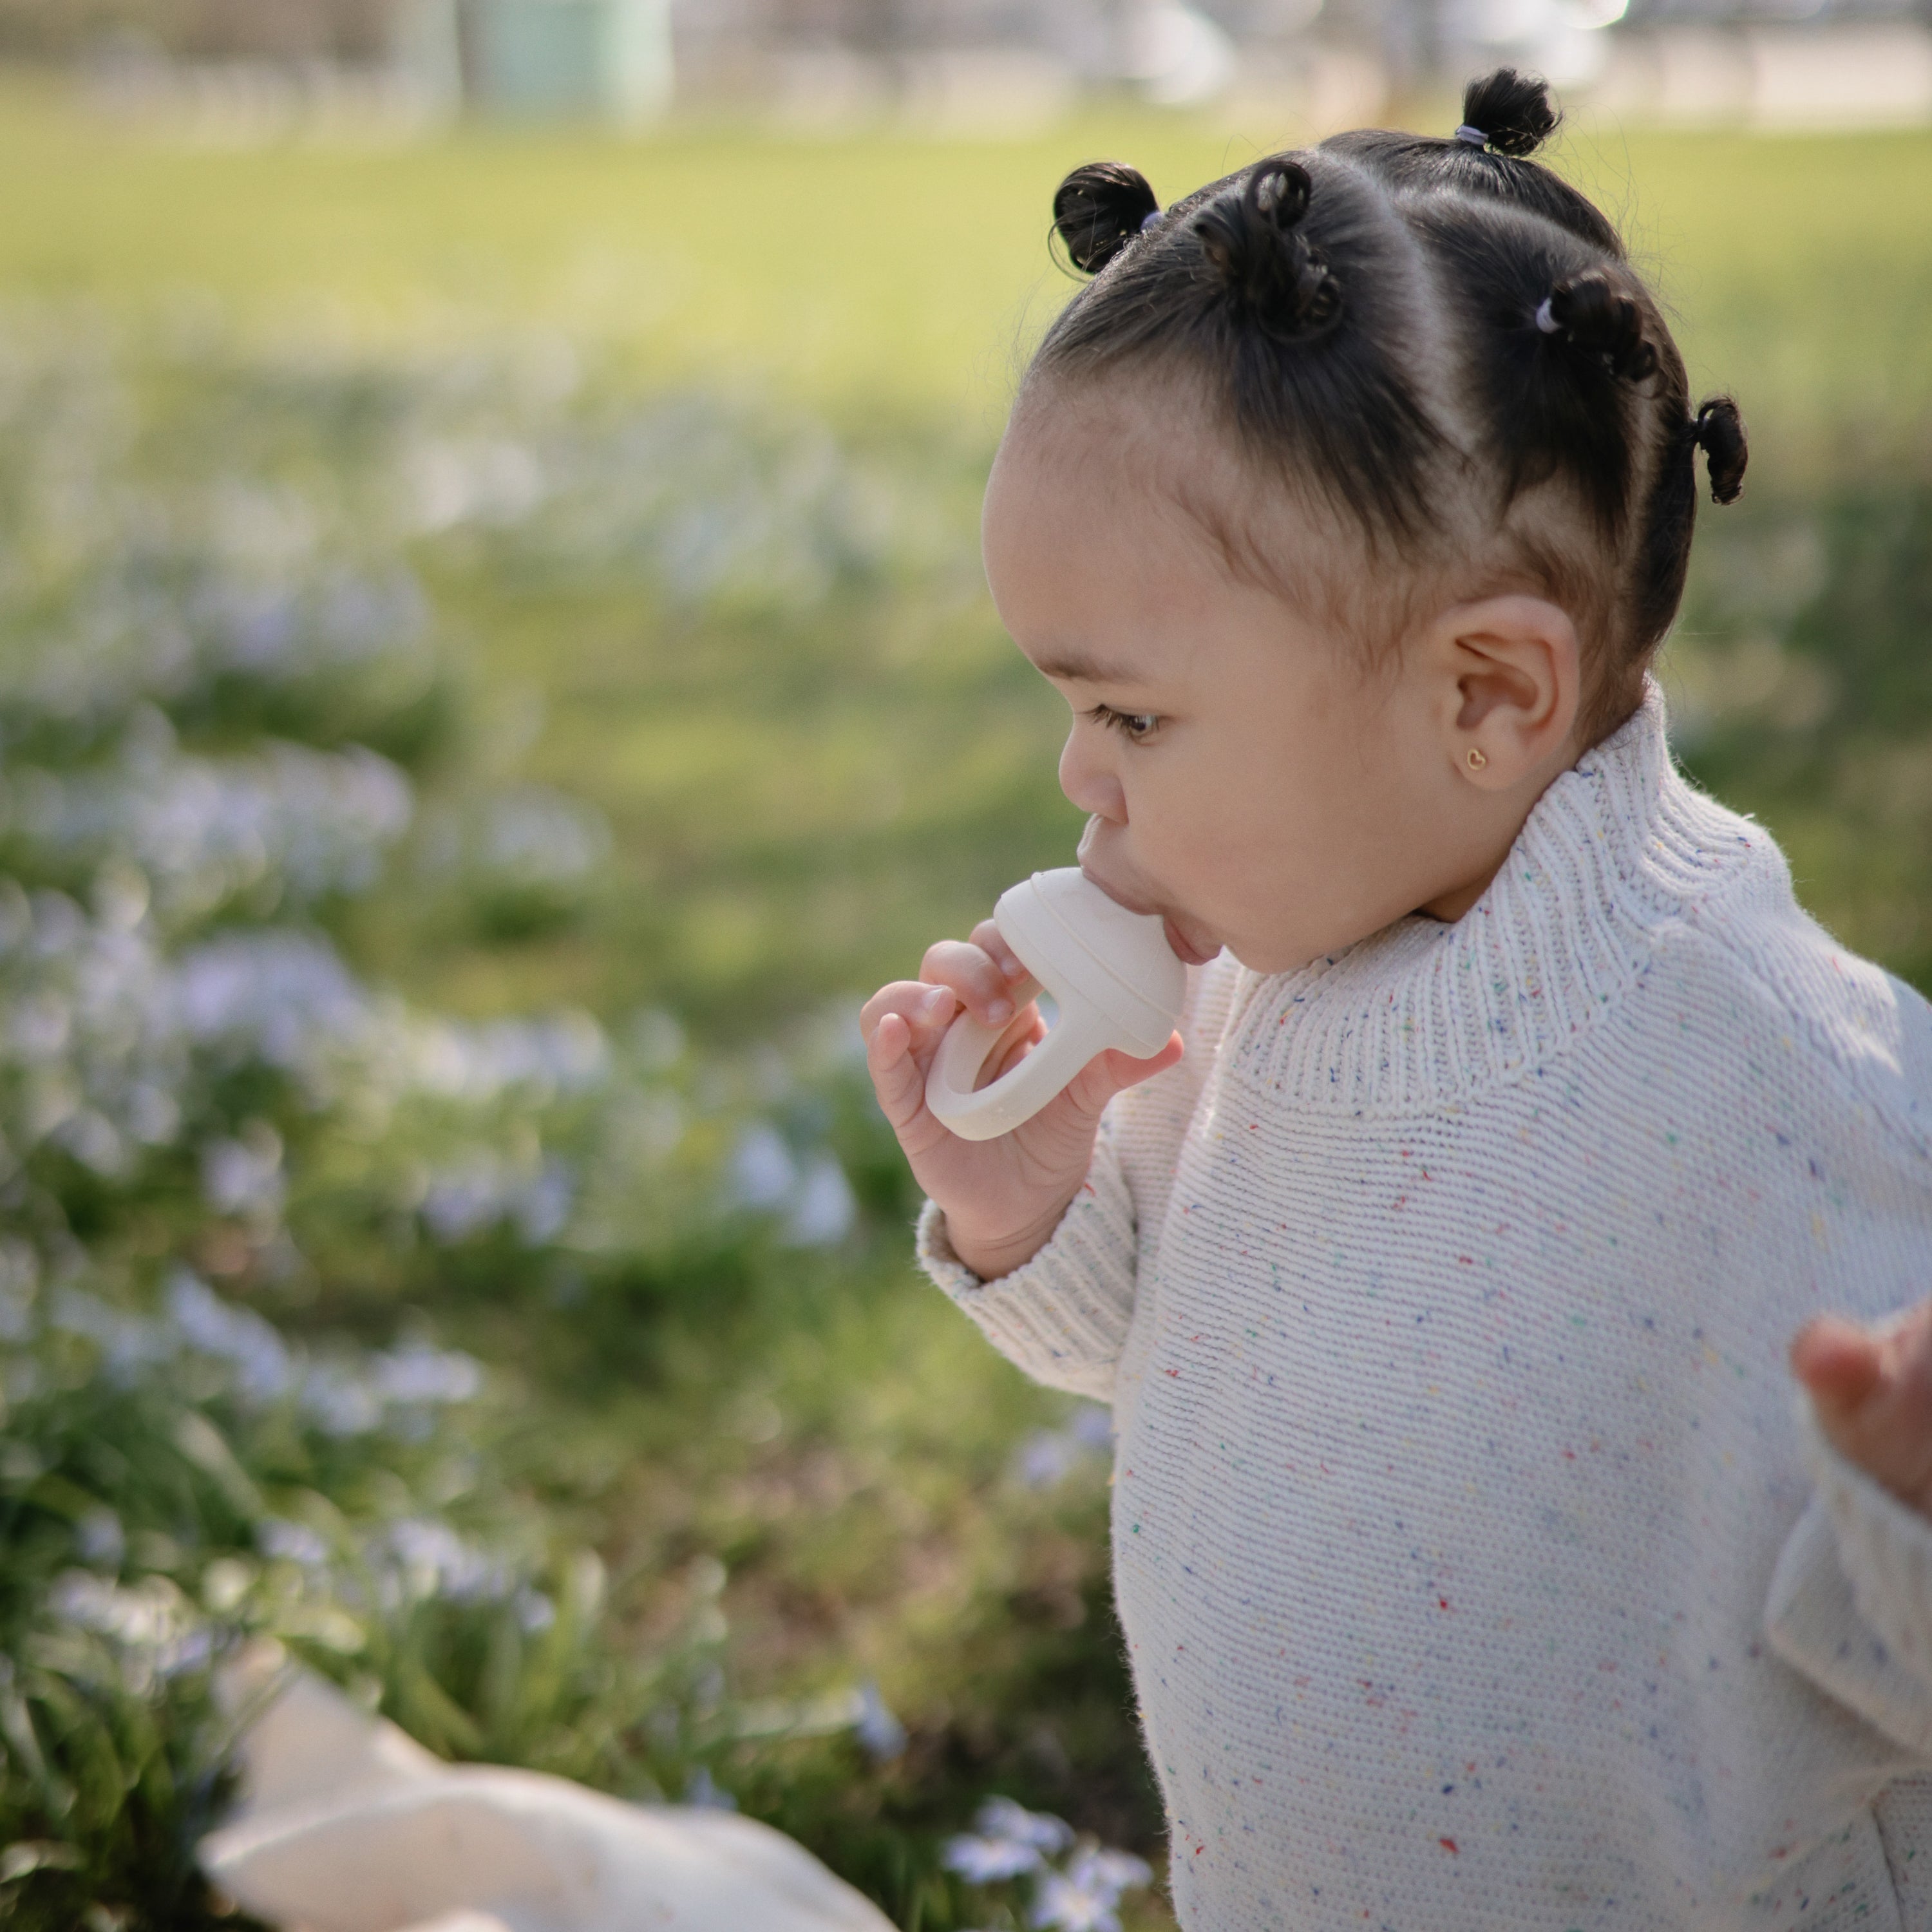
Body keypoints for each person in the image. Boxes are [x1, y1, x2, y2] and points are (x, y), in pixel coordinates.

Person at [859, 69, 1932, 1931]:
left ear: (1486, 696)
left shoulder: (1782, 1091)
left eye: (1132, 714)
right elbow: (1210, 1349)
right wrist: (1036, 1212)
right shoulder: (1267, 962)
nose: (1078, 774)